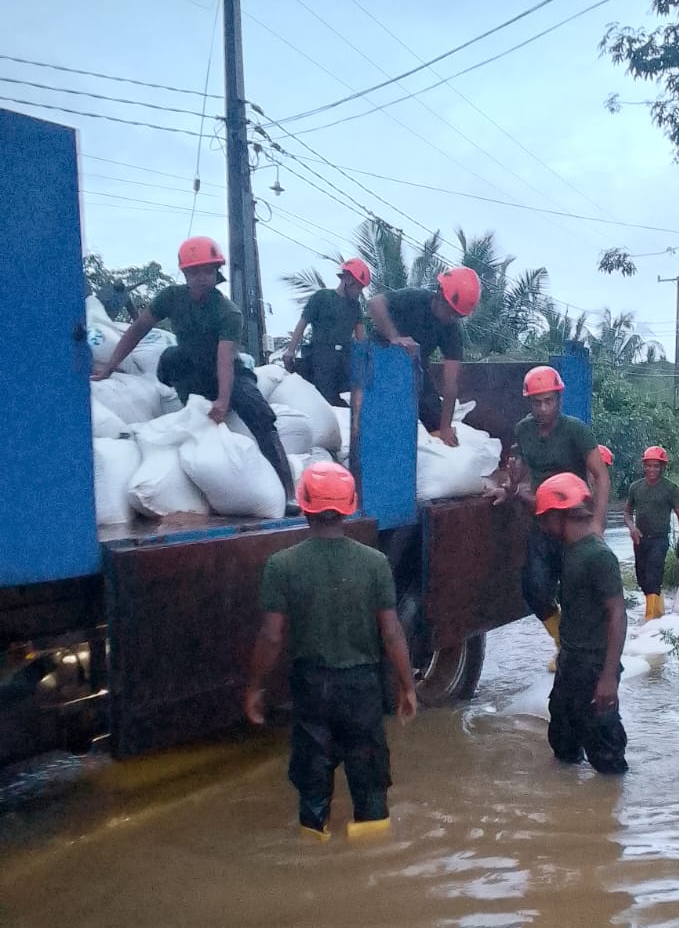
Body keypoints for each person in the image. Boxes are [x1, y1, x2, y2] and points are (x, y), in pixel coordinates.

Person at [244, 461, 417, 841]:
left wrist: (255, 686)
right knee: (371, 787)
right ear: (350, 506)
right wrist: (407, 685)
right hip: (362, 689)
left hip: (311, 688)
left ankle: (312, 864)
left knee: (312, 786)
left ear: (303, 505)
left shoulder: (282, 565)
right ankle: (370, 870)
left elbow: (272, 637)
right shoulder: (375, 563)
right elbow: (391, 632)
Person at [93, 236, 294, 502]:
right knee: (170, 359)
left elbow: (224, 359)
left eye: (207, 271)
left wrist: (223, 401)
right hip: (190, 368)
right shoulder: (171, 297)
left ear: (216, 273)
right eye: (194, 271)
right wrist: (110, 365)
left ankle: (288, 492)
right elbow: (138, 329)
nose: (201, 278)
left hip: (224, 372)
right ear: (185, 273)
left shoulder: (228, 312)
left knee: (259, 413)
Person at [493, 365, 609, 666]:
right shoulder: (524, 430)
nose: (544, 408)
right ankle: (561, 639)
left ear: (559, 398)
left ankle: (574, 649)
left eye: (549, 401)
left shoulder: (576, 431)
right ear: (529, 403)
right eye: (537, 402)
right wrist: (509, 487)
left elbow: (600, 475)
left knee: (574, 590)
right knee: (534, 588)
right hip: (543, 520)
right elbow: (518, 472)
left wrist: (597, 522)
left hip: (574, 521)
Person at [534, 472, 627, 775]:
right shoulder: (570, 550)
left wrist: (608, 678)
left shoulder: (599, 557)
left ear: (563, 516)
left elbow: (617, 615)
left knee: (606, 758)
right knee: (562, 743)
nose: (543, 526)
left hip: (595, 667)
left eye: (546, 519)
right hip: (570, 662)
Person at [366, 267, 481, 447]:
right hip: (382, 356)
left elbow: (450, 384)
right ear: (440, 294)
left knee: (434, 415)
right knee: (387, 415)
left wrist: (445, 428)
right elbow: (374, 303)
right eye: (451, 312)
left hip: (414, 365)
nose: (452, 318)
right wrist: (394, 337)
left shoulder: (451, 330)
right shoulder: (414, 298)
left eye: (457, 316)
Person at [281, 258, 370, 406]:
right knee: (326, 397)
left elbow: (361, 338)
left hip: (344, 358)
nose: (359, 292)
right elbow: (302, 325)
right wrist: (290, 351)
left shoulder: (355, 307)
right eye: (358, 287)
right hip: (322, 356)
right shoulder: (322, 297)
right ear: (347, 280)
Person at [624, 446, 679, 620]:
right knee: (641, 578)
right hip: (640, 540)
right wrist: (632, 528)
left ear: (663, 467)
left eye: (656, 466)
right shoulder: (635, 488)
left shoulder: (671, 489)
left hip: (659, 539)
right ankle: (658, 608)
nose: (652, 470)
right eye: (649, 465)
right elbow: (626, 513)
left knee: (653, 577)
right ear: (644, 466)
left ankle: (650, 619)